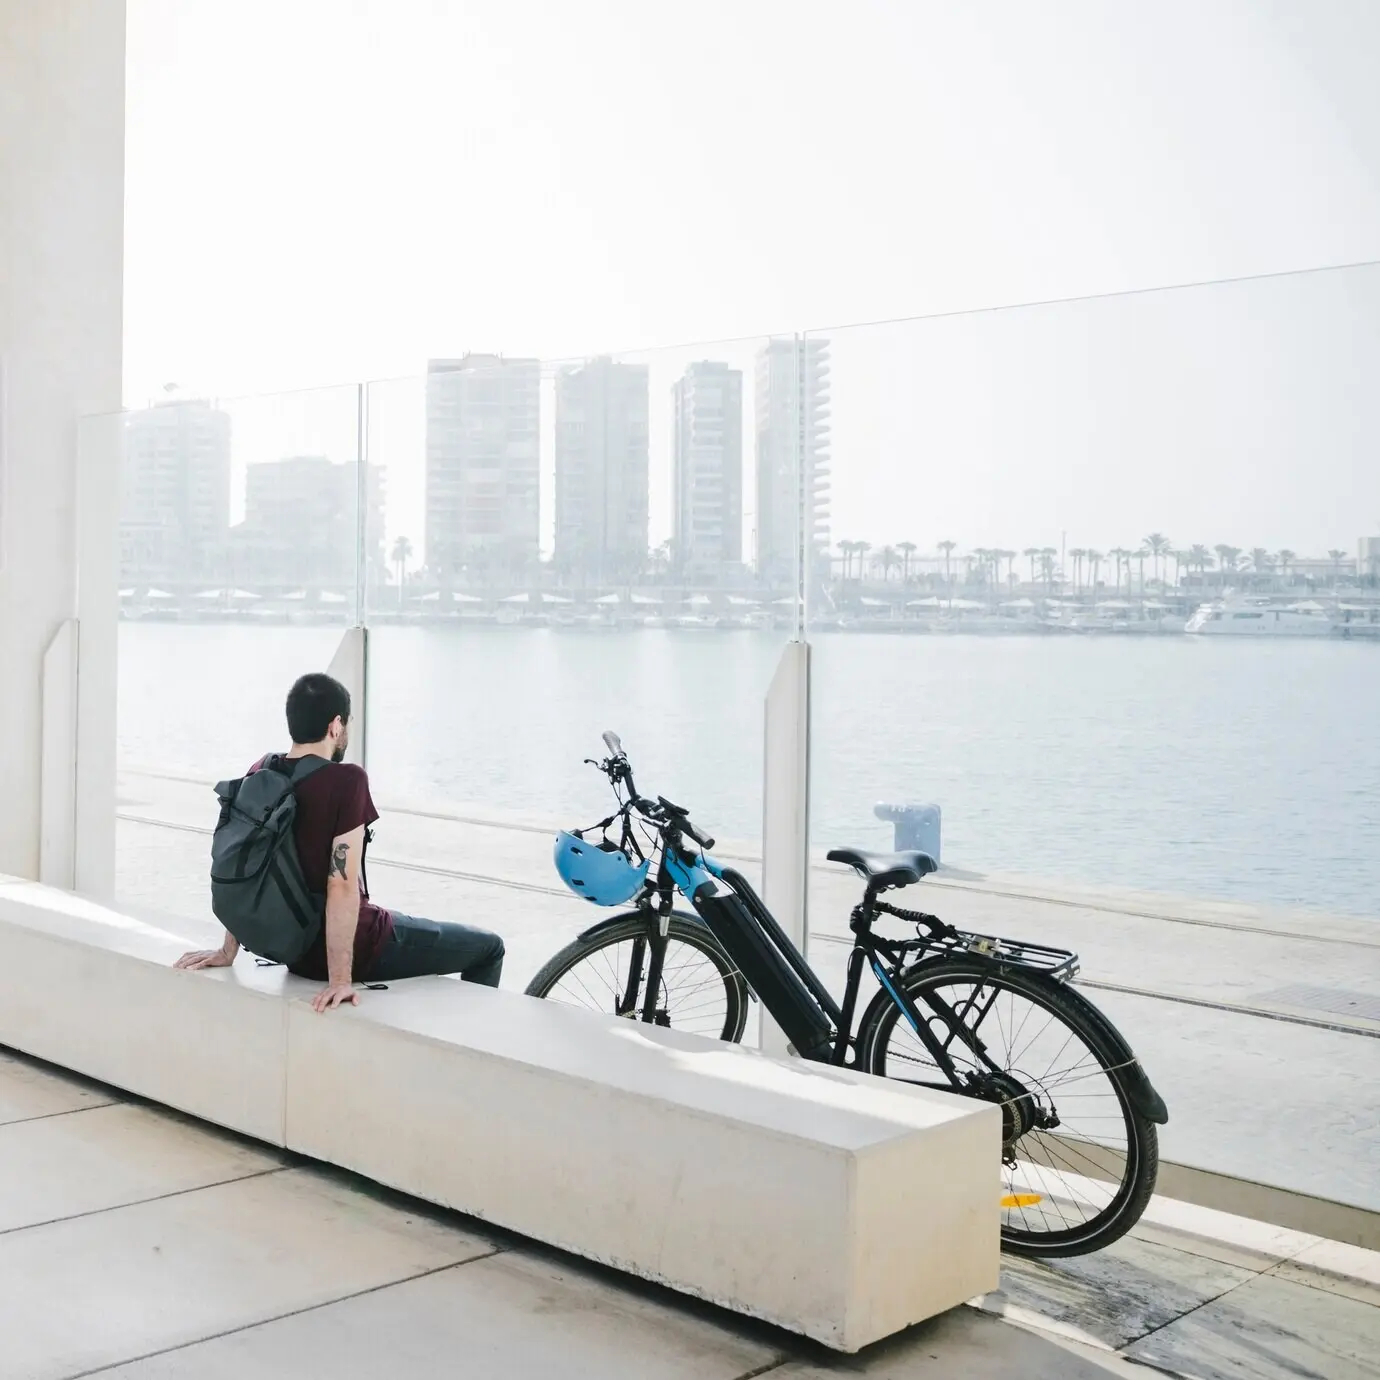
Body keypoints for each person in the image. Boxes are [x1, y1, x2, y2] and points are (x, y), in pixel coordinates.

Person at [175, 672, 504, 1011]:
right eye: (346, 724)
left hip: (291, 948)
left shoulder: (263, 769)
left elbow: (244, 866)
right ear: (335, 726)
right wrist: (341, 981)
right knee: (490, 948)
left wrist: (228, 951)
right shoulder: (347, 780)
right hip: (358, 946)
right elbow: (342, 885)